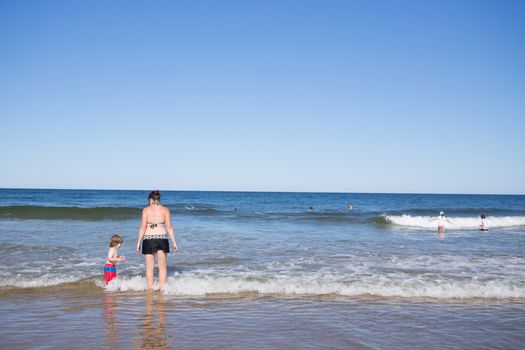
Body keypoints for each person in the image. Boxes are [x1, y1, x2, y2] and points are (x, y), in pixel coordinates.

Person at [136, 190, 178, 290]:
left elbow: (142, 227)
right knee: (162, 268)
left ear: (151, 199)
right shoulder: (165, 209)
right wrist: (174, 242)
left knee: (149, 269)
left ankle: (150, 291)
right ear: (158, 199)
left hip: (148, 238)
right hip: (162, 238)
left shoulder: (145, 210)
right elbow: (170, 227)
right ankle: (162, 290)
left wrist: (138, 243)